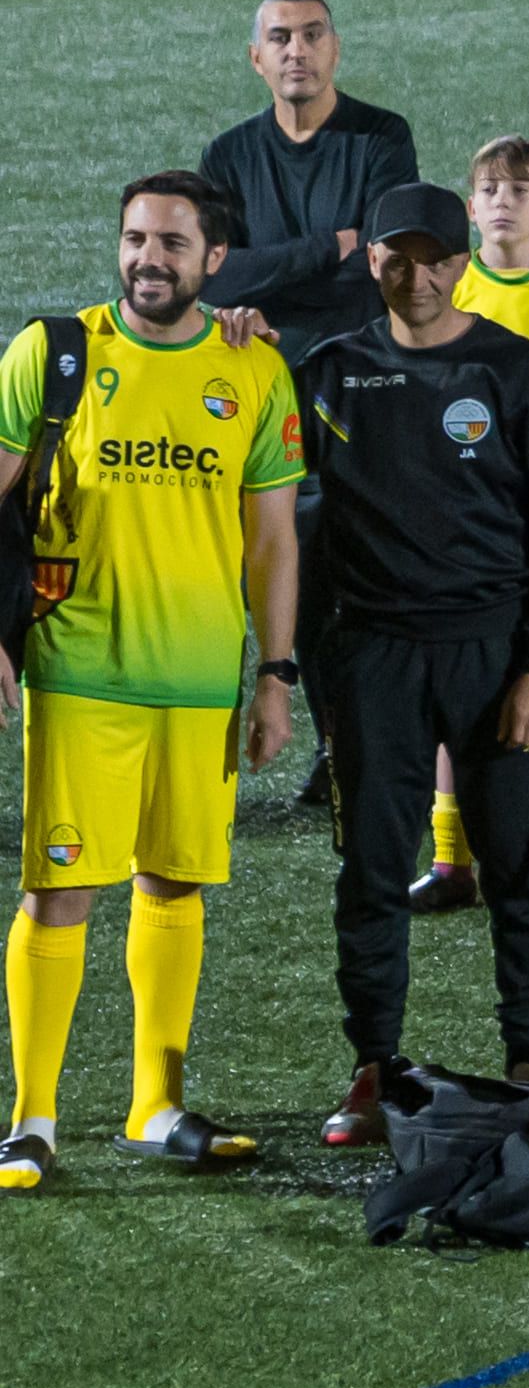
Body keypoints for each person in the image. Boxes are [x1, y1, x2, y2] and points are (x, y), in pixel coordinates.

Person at [0, 175, 308, 1181]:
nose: (148, 259)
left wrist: (274, 674)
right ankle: (32, 1120)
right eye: (135, 238)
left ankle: (153, 1105)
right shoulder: (54, 354)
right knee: (62, 888)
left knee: (176, 884)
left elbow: (273, 541)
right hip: (78, 669)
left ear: (214, 259)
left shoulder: (254, 369)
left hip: (201, 678)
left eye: (172, 243)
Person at [283, 187, 529, 1126]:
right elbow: (280, 511)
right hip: (373, 657)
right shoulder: (328, 372)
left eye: (435, 259)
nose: (416, 277)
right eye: (397, 256)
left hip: (495, 658)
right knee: (372, 870)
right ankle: (375, 1065)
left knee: (520, 872)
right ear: (370, 259)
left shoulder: (514, 371)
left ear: (462, 263)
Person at [201, 0, 422, 339]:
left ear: (335, 49)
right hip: (261, 353)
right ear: (256, 58)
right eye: (280, 38)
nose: (297, 51)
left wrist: (262, 281)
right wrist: (328, 247)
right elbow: (211, 277)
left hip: (360, 352)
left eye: (312, 35)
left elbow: (383, 268)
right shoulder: (226, 155)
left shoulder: (383, 138)